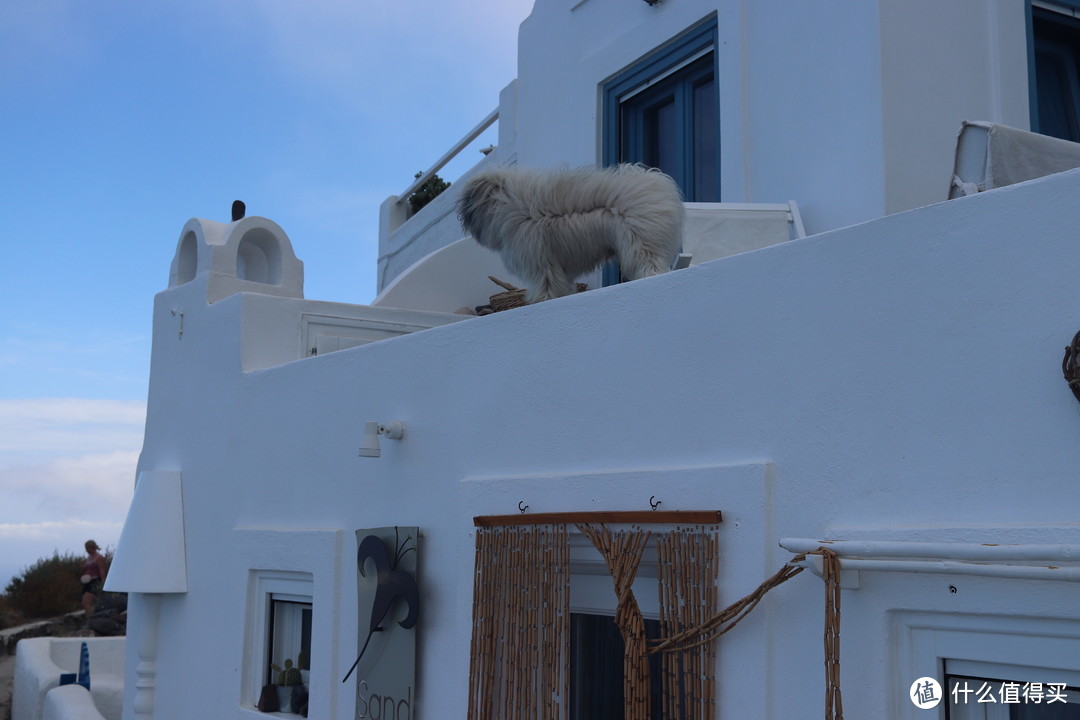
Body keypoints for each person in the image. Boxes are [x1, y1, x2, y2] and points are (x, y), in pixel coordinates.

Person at [81, 540, 108, 621]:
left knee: (86, 603)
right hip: (87, 581)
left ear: (91, 548)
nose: (86, 551)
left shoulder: (99, 558)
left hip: (95, 582)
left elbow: (102, 571)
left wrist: (103, 584)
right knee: (88, 603)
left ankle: (92, 620)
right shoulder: (89, 558)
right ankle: (91, 619)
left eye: (87, 548)